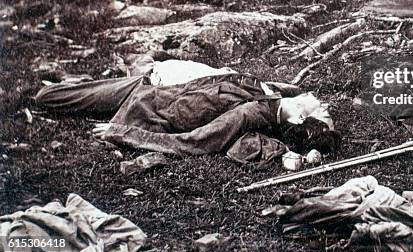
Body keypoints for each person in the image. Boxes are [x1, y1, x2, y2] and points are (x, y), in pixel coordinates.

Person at [35, 56, 338, 157]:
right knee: (76, 91)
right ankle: (76, 79)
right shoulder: (277, 95)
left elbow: (193, 142)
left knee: (47, 98)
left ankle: (63, 87)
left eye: (321, 110)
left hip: (144, 98)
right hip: (163, 76)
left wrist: (122, 133)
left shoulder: (250, 114)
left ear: (299, 118)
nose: (323, 102)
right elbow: (294, 92)